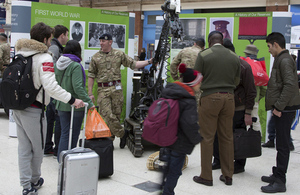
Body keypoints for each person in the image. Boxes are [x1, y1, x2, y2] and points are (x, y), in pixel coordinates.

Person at [12, 22, 85, 195]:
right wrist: (72, 99)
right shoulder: (43, 58)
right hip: (34, 109)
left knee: (23, 147)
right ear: (45, 39)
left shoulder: (20, 54)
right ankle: (33, 182)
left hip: (18, 108)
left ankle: (26, 183)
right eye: (49, 39)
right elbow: (50, 86)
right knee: (36, 148)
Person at [88, 33, 153, 149]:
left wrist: (149, 61)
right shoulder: (95, 57)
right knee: (107, 114)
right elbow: (91, 75)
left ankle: (110, 140)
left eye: (103, 41)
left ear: (110, 42)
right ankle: (123, 133)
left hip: (116, 88)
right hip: (103, 89)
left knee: (116, 115)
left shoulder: (119, 54)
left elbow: (134, 64)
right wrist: (90, 93)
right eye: (100, 41)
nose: (101, 43)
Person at [193, 31, 240, 186]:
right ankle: (228, 176)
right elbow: (237, 80)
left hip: (210, 98)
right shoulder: (234, 56)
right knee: (227, 137)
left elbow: (197, 78)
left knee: (207, 138)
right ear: (223, 40)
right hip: (229, 98)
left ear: (209, 41)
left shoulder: (204, 55)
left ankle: (206, 176)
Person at [261, 32, 300, 193]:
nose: (269, 50)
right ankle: (277, 173)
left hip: (284, 110)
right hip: (283, 108)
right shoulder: (282, 59)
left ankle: (280, 181)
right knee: (280, 144)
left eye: (269, 46)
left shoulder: (284, 60)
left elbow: (290, 85)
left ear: (276, 44)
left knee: (283, 146)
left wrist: (278, 107)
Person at [212, 39, 256, 174]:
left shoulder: (244, 67)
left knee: (238, 136)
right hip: (220, 108)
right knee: (217, 136)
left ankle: (239, 164)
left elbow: (251, 91)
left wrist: (248, 112)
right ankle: (218, 160)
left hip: (238, 109)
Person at [161, 63, 203, 195]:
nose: (200, 85)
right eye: (199, 83)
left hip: (167, 137)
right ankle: (168, 192)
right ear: (192, 83)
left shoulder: (170, 92)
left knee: (167, 167)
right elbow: (189, 123)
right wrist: (196, 138)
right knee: (175, 171)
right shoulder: (188, 99)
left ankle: (163, 189)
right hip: (180, 142)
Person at [54, 40, 95, 162]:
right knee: (74, 133)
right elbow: (78, 88)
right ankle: (68, 160)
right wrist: (90, 102)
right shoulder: (75, 65)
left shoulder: (58, 64)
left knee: (65, 132)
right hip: (76, 105)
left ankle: (61, 159)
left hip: (61, 103)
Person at [45, 25, 69, 156]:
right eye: (67, 34)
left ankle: (49, 146)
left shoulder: (55, 47)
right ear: (62, 36)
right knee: (56, 119)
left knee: (51, 118)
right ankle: (55, 148)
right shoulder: (54, 48)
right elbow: (53, 69)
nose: (67, 37)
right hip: (55, 89)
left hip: (53, 89)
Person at [244, 44, 267, 132]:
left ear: (246, 54)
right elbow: (264, 88)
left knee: (244, 122)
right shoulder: (259, 67)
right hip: (254, 100)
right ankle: (257, 141)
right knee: (255, 120)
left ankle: (245, 142)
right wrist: (258, 98)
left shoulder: (244, 64)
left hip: (243, 99)